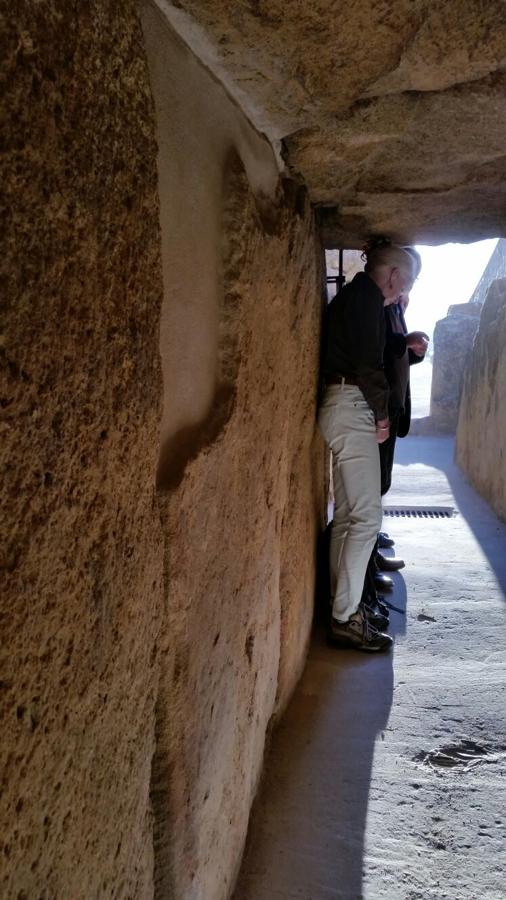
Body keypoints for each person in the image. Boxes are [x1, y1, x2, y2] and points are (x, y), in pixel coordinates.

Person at [318, 244, 418, 651]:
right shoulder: (365, 298)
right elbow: (365, 365)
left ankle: (345, 607)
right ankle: (345, 618)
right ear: (393, 274)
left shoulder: (361, 298)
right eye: (408, 280)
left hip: (344, 403)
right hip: (352, 403)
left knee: (349, 517)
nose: (406, 289)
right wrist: (380, 416)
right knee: (365, 518)